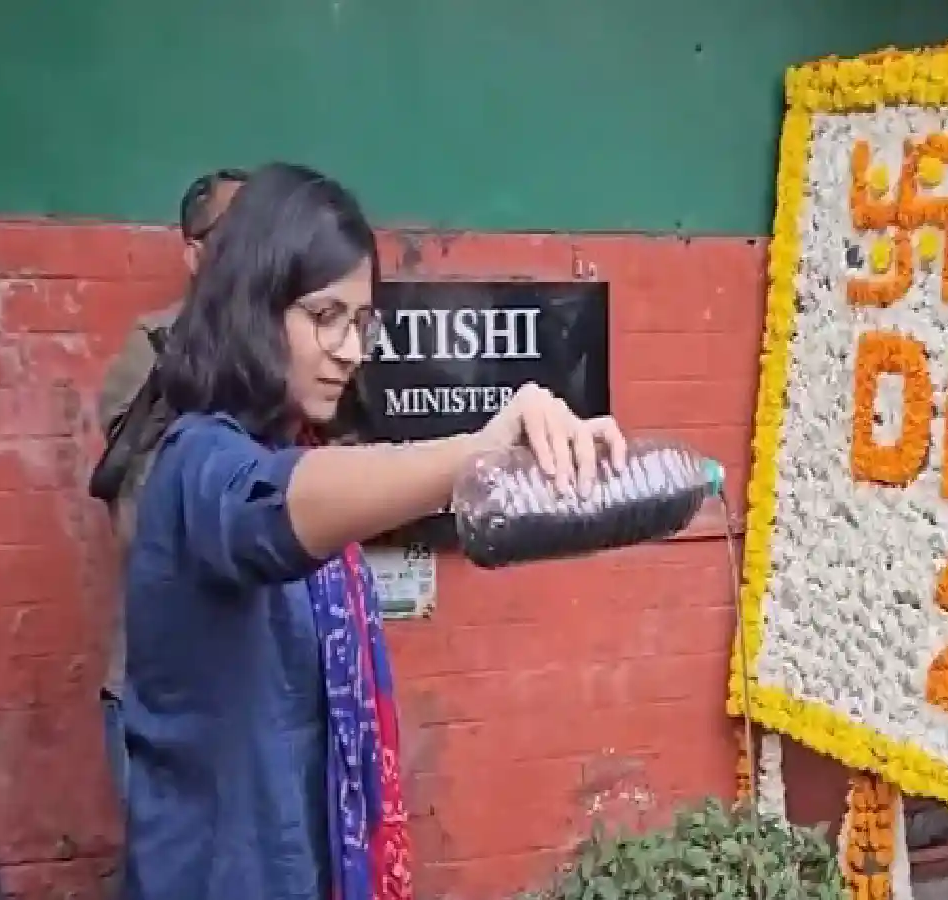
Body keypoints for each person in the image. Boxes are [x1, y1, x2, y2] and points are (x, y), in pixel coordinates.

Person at [121, 162, 628, 900]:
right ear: (251, 308)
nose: (352, 348)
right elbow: (268, 510)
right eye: (324, 317)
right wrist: (478, 449)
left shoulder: (302, 452)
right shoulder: (196, 462)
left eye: (361, 323)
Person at [94, 167, 249, 806]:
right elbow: (142, 516)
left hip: (265, 695)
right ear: (193, 252)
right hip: (166, 690)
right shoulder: (155, 348)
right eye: (233, 231)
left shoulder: (305, 352)